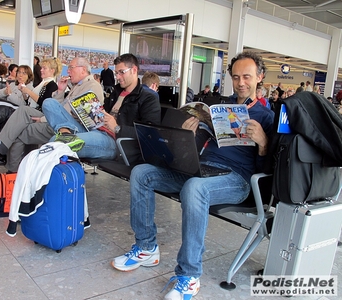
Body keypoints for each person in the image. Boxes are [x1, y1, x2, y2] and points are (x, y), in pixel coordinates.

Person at [111, 51, 274, 299]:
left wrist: (263, 143)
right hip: (203, 167)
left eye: (247, 77)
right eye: (236, 77)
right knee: (142, 172)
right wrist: (192, 132)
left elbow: (268, 167)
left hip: (236, 179)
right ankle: (146, 248)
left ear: (259, 77)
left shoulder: (267, 116)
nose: (241, 83)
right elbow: (199, 147)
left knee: (194, 188)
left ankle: (189, 275)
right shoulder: (220, 107)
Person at [43, 53, 161, 164]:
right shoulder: (116, 92)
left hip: (113, 141)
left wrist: (117, 128)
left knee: (56, 142)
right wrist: (84, 114)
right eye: (116, 73)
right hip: (96, 129)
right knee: (49, 103)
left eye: (121, 72)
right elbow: (103, 114)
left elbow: (150, 133)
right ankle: (65, 134)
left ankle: (65, 139)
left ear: (134, 70)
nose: (118, 77)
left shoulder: (147, 98)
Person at [0, 58, 60, 169]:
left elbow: (45, 103)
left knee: (20, 110)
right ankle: (10, 167)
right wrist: (24, 94)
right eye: (41, 68)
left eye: (44, 68)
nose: (41, 70)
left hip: (39, 113)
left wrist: (28, 92)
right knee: (17, 132)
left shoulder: (52, 85)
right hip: (33, 111)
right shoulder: (42, 84)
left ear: (52, 70)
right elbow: (29, 101)